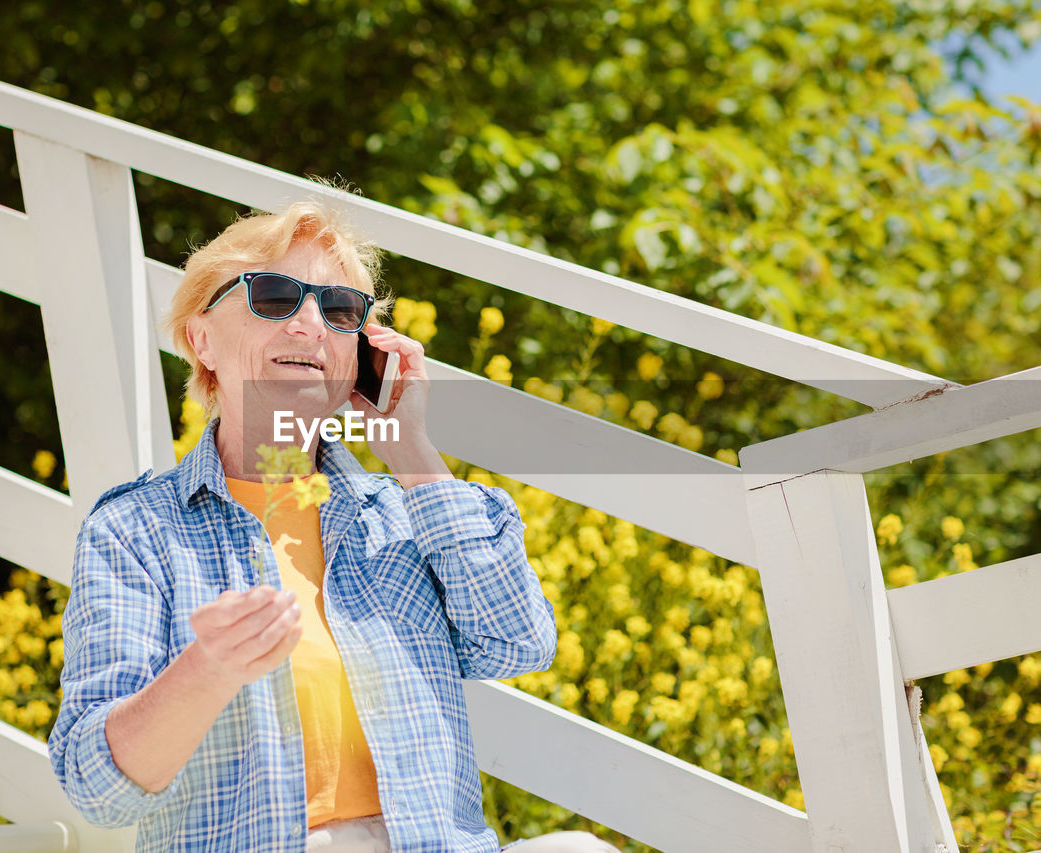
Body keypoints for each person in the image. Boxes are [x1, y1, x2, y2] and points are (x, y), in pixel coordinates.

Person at [48, 198, 618, 853]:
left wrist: (408, 448)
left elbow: (517, 642)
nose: (311, 324)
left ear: (361, 354)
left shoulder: (406, 514)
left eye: (341, 309)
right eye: (274, 295)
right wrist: (208, 667)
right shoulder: (135, 530)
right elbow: (97, 788)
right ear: (201, 337)